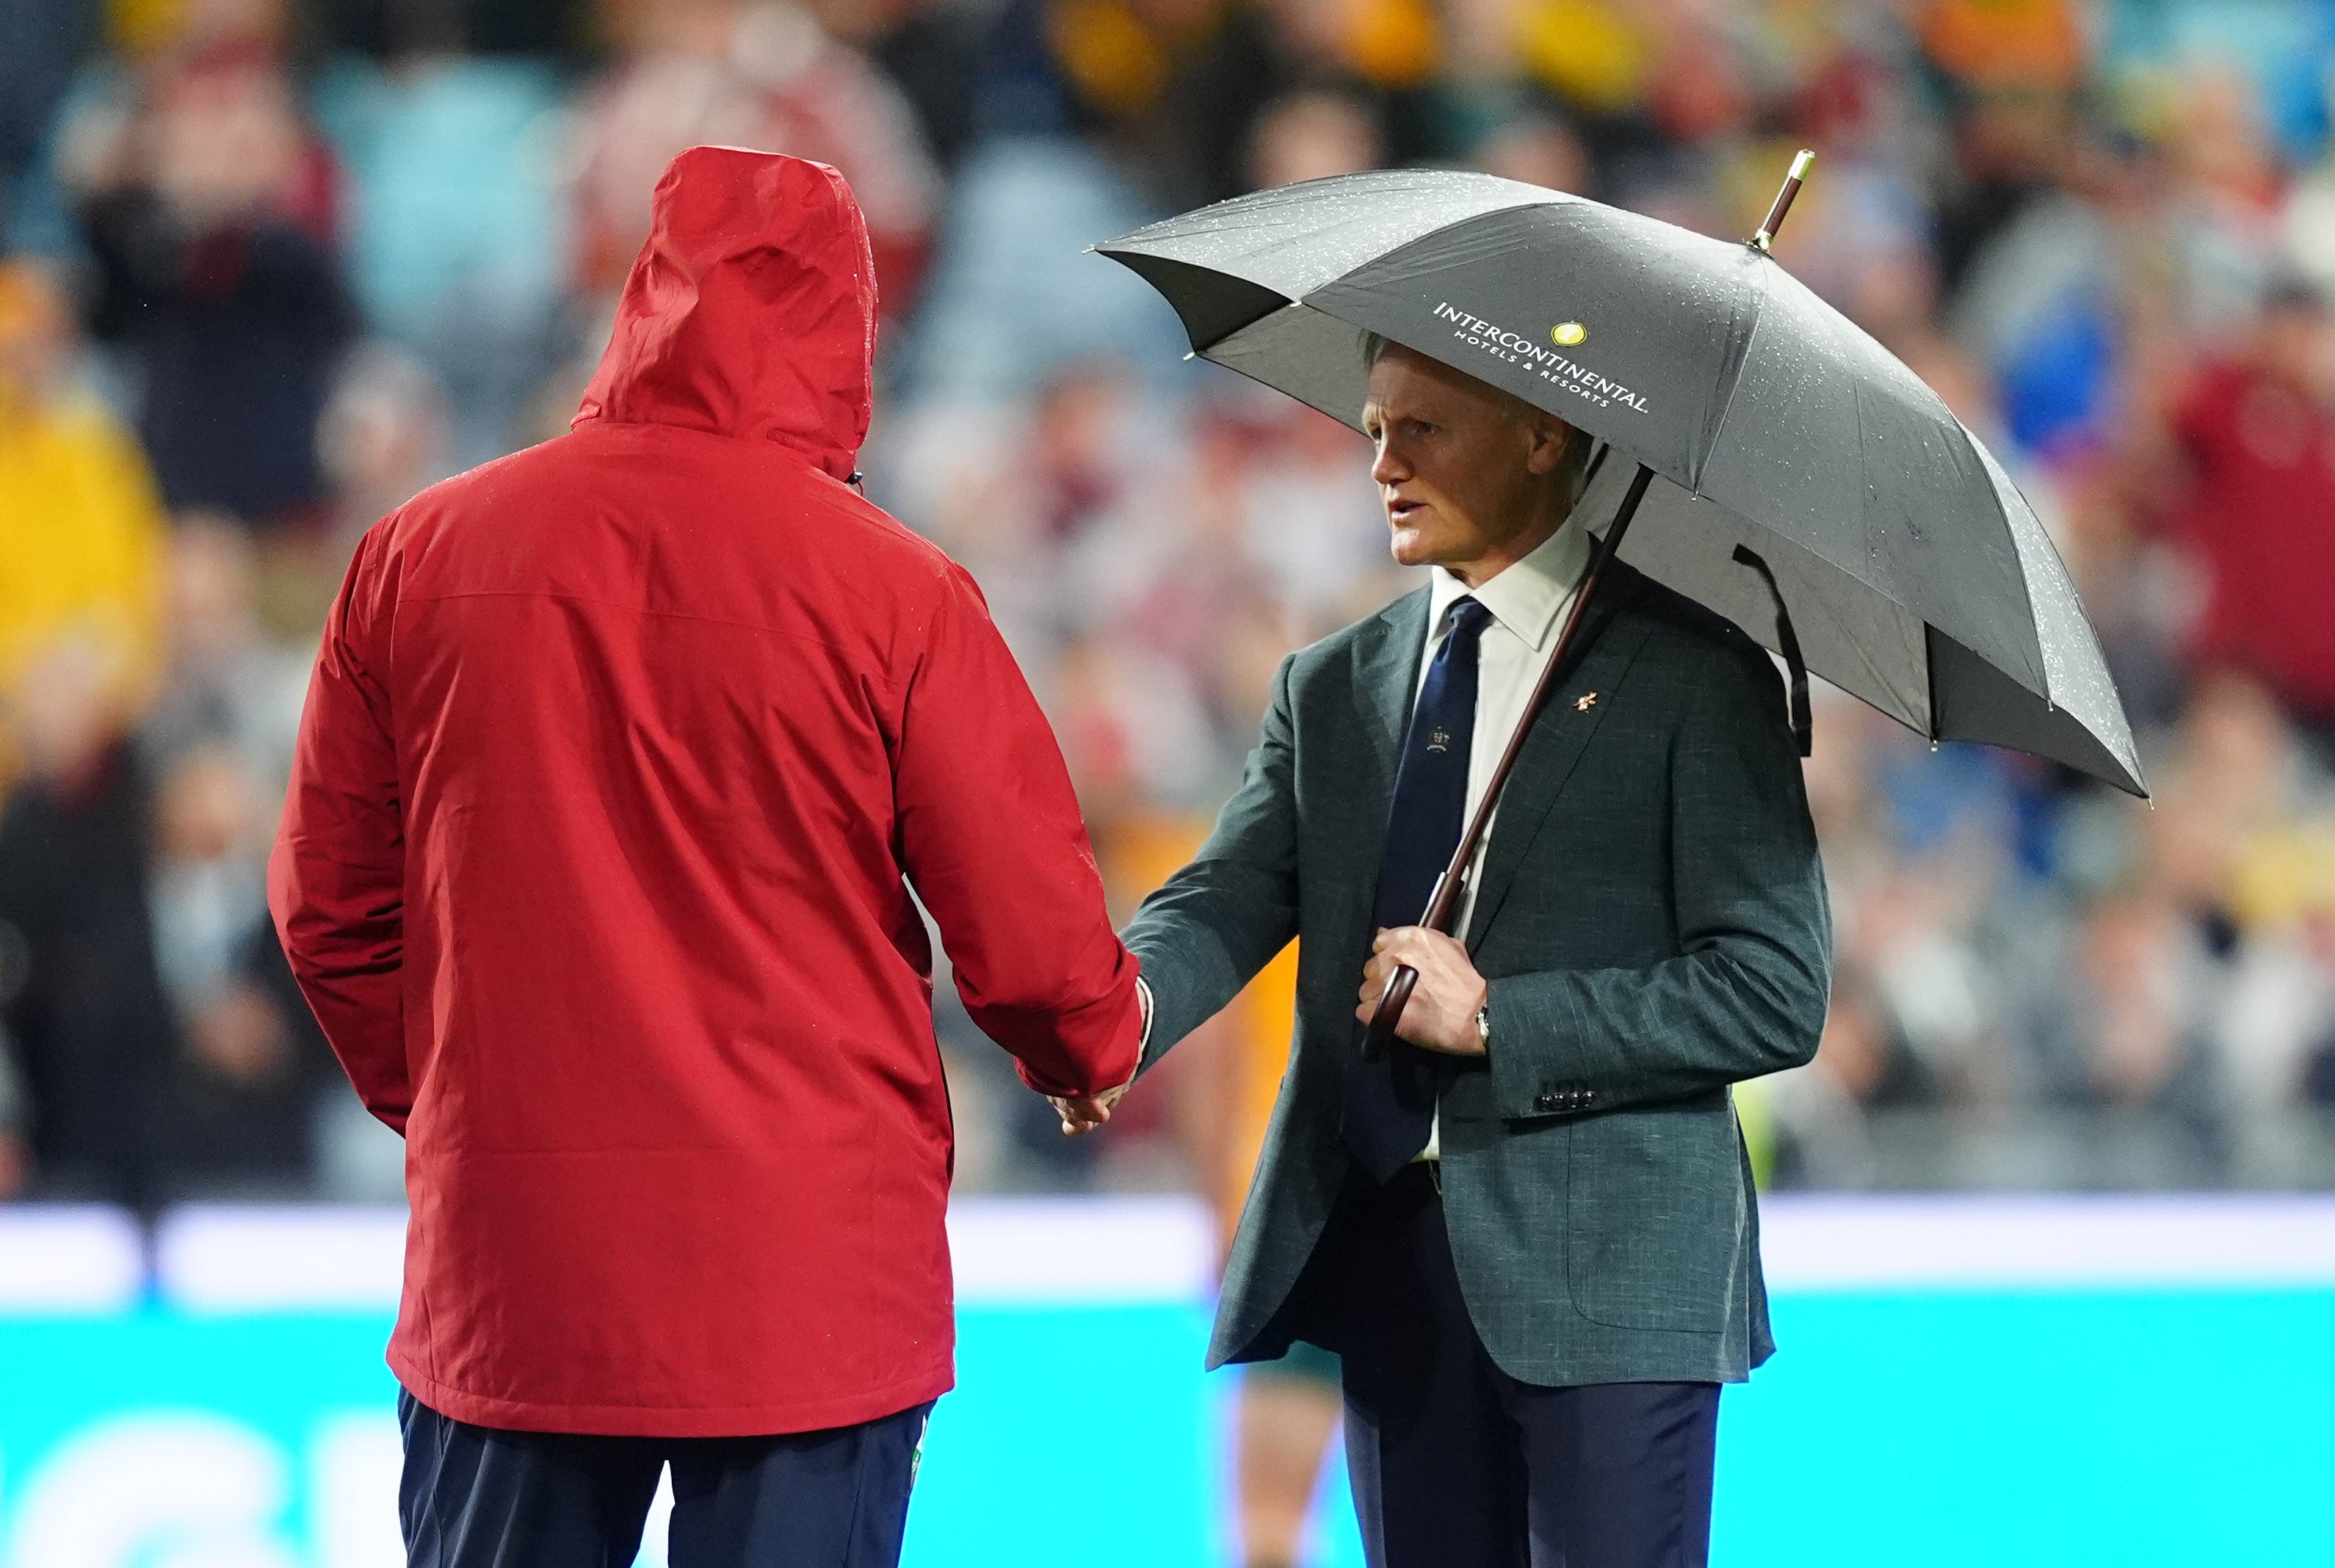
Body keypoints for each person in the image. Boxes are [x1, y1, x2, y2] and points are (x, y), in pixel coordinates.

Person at [269, 147, 1143, 1568]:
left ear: (645, 295)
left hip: (517, 1266)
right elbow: (1037, 942)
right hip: (809, 1279)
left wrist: (463, 1110)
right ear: (850, 335)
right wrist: (1082, 1046)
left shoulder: (414, 555)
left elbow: (328, 914)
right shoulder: (900, 593)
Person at [1060, 341, 1831, 1566]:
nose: (1384, 464)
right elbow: (1225, 896)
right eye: (1375, 428)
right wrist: (1116, 1013)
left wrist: (1499, 1021)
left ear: (1544, 436)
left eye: (1423, 429)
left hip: (1616, 1285)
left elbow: (1775, 992)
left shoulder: (1701, 676)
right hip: (1388, 1267)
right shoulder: (1334, 684)